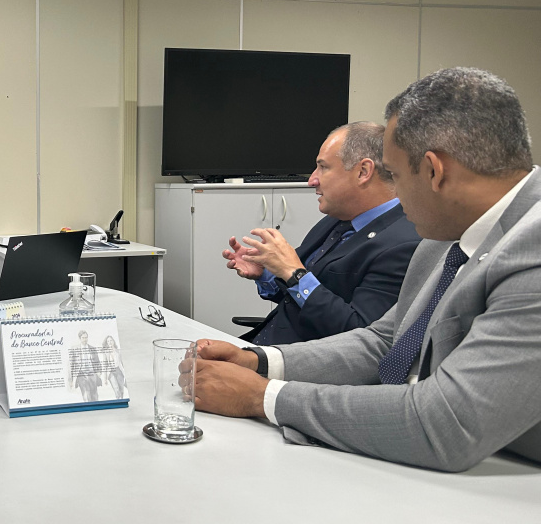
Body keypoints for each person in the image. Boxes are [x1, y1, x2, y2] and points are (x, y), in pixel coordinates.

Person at [182, 67, 541, 472]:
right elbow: (386, 341)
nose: (393, 194)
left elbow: (446, 421)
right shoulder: (449, 232)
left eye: (396, 176)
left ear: (434, 171)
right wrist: (260, 362)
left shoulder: (531, 250)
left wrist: (261, 396)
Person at [224, 122, 421, 345]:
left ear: (363, 172)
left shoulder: (404, 243)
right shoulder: (336, 220)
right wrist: (267, 272)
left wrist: (293, 273)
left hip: (303, 360)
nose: (312, 180)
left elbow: (361, 338)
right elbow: (299, 296)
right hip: (269, 344)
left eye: (323, 167)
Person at [67, 331, 102, 402]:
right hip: (81, 374)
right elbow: (71, 365)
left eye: (86, 337)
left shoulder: (92, 348)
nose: (85, 339)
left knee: (94, 395)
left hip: (92, 374)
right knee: (86, 395)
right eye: (83, 338)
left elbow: (98, 362)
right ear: (79, 338)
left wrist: (99, 372)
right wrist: (70, 380)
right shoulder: (74, 349)